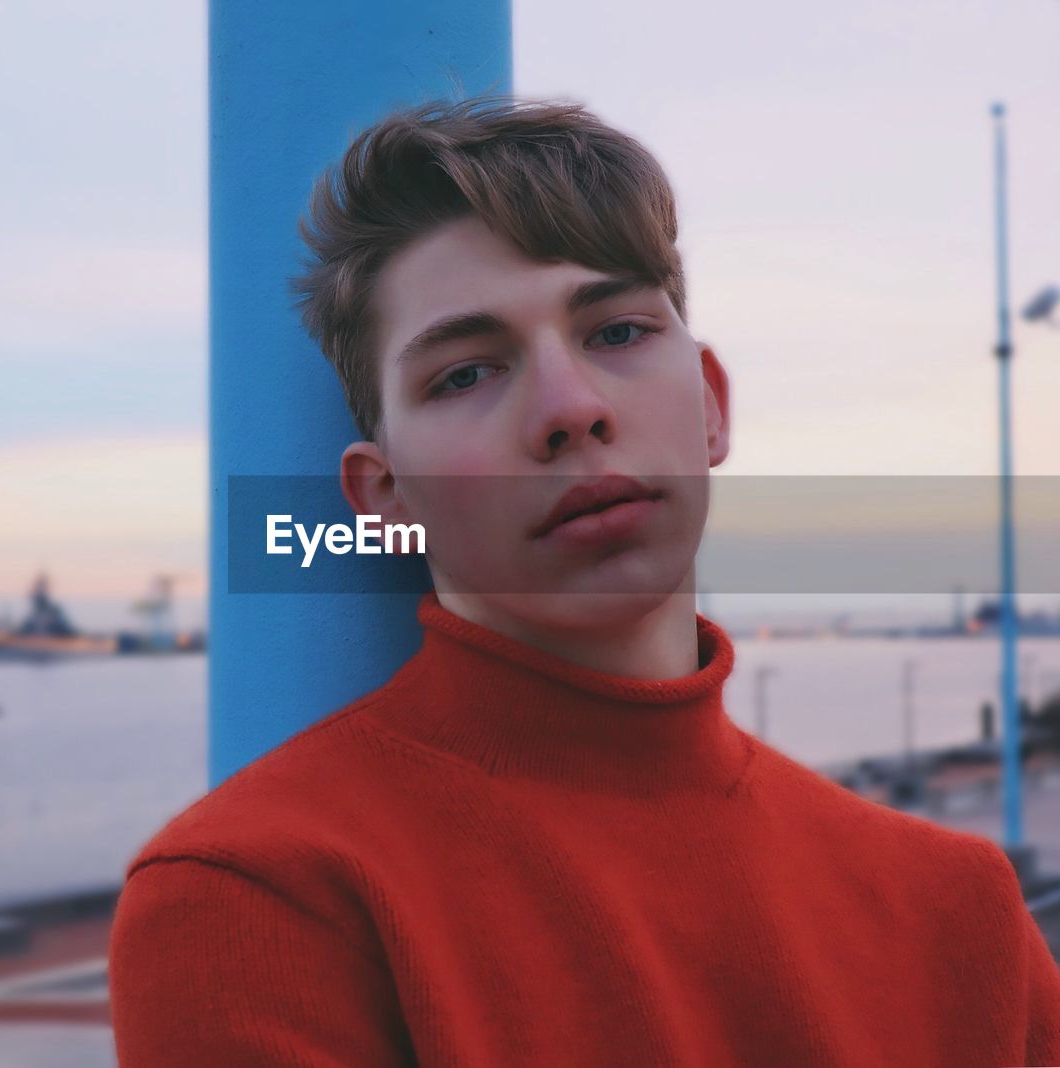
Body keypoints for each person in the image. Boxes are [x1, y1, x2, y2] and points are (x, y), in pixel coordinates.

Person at [108, 96, 1060, 1066]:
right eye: (466, 373)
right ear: (385, 494)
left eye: (614, 332)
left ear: (711, 409)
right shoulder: (262, 896)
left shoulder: (958, 917)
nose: (568, 409)